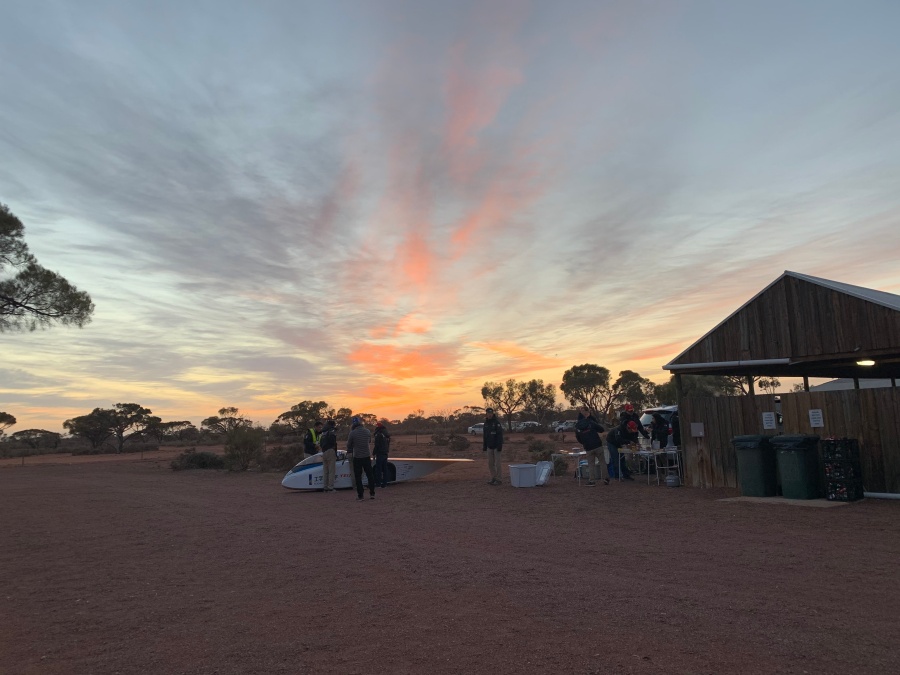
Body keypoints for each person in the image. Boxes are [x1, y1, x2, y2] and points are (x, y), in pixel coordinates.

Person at [574, 407, 608, 486]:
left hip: (588, 447)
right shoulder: (591, 422)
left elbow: (578, 438)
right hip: (597, 445)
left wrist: (584, 443)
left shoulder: (577, 427)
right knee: (602, 462)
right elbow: (601, 429)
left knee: (591, 464)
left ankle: (592, 480)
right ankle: (606, 478)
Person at [347, 416, 375, 501]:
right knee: (370, 475)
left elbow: (349, 445)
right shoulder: (367, 431)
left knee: (358, 476)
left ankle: (360, 495)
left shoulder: (352, 433)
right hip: (366, 456)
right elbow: (369, 441)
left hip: (357, 457)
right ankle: (372, 493)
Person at [483, 408, 504, 485]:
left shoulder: (496, 423)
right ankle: (493, 478)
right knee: (490, 463)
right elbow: (485, 436)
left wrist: (499, 445)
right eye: (488, 413)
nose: (489, 414)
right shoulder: (486, 424)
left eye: (491, 413)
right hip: (489, 446)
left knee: (497, 463)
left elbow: (500, 435)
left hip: (496, 446)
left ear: (492, 413)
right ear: (486, 414)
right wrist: (485, 446)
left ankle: (499, 479)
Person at [319, 419, 338, 491]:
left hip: (324, 452)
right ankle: (331, 487)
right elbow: (333, 441)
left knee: (325, 471)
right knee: (331, 471)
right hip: (331, 451)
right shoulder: (331, 431)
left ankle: (325, 487)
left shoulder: (323, 432)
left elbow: (321, 443)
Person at [373, 421, 391, 488]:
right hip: (385, 452)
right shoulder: (386, 434)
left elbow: (377, 444)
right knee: (385, 468)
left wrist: (374, 453)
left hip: (380, 453)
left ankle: (378, 484)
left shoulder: (379, 434)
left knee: (379, 469)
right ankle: (385, 483)